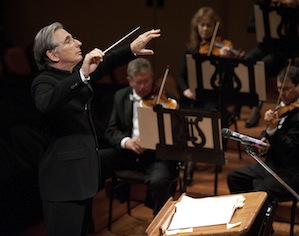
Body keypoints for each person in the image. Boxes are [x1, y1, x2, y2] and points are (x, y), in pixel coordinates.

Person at [31, 22, 160, 236]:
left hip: (82, 180)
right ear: (53, 55)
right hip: (63, 184)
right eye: (69, 41)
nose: (78, 42)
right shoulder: (43, 82)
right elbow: (47, 104)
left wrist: (131, 50)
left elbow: (105, 64)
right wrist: (81, 74)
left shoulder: (74, 76)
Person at [227, 65, 299, 233]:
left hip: (292, 172)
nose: (281, 94)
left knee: (261, 192)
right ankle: (255, 225)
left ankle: (257, 231)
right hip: (273, 165)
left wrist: (273, 131)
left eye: (286, 89)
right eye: (279, 89)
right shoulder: (282, 107)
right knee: (234, 177)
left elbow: (292, 150)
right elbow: (268, 134)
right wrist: (262, 141)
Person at [102, 58, 179, 216]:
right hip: (128, 153)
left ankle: (158, 223)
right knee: (96, 159)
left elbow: (178, 135)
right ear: (130, 81)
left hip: (156, 157)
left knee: (159, 181)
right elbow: (111, 130)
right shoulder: (120, 96)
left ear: (152, 77)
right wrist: (126, 142)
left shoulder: (167, 99)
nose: (143, 86)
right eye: (138, 82)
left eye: (147, 81)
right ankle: (85, 221)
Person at [176, 6, 244, 185]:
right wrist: (185, 90)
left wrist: (225, 61)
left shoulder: (224, 48)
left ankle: (192, 164)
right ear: (196, 27)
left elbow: (231, 82)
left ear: (215, 27)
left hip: (215, 98)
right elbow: (180, 76)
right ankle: (185, 161)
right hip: (193, 97)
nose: (205, 29)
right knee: (181, 114)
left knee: (206, 115)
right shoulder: (191, 49)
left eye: (208, 25)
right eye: (202, 25)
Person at [244, 0, 299, 128]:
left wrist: (293, 8)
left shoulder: (291, 6)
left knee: (264, 64)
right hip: (265, 45)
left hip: (284, 48)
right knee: (247, 60)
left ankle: (257, 108)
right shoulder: (263, 4)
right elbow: (249, 26)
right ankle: (242, 103)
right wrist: (266, 22)